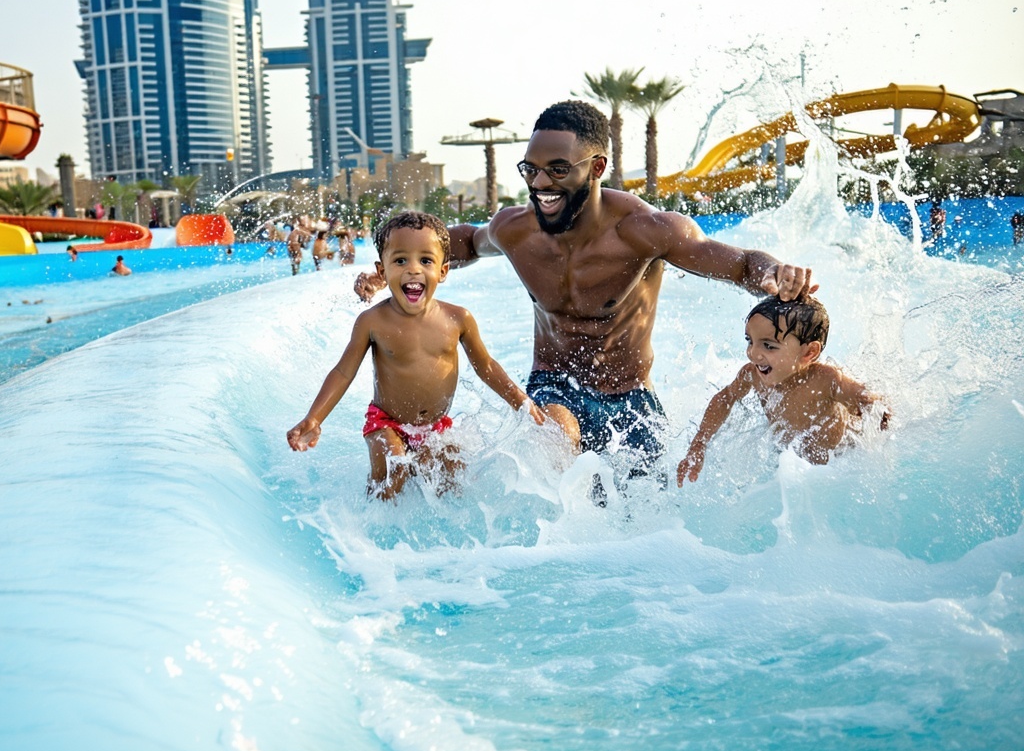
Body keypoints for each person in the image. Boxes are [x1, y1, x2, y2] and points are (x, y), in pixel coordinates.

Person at [353, 100, 814, 479]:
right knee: (557, 436)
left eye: (556, 169)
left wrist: (774, 275)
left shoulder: (646, 231)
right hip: (555, 384)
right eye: (530, 170)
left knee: (645, 510)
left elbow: (738, 264)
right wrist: (400, 269)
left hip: (631, 395)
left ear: (596, 167)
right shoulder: (517, 230)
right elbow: (464, 241)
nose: (539, 184)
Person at [288, 211, 545, 500]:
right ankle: (370, 531)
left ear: (443, 271)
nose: (413, 270)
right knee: (393, 470)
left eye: (425, 260)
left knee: (455, 477)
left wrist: (521, 402)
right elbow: (343, 372)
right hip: (386, 423)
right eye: (400, 260)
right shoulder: (372, 321)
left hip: (436, 427)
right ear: (382, 271)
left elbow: (486, 367)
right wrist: (315, 418)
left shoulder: (458, 319)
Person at [676, 295, 889, 485]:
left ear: (808, 353)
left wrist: (879, 431)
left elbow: (874, 404)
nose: (753, 354)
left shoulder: (826, 380)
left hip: (839, 463)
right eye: (750, 341)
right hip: (794, 465)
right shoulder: (752, 375)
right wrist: (699, 443)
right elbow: (726, 398)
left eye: (769, 346)